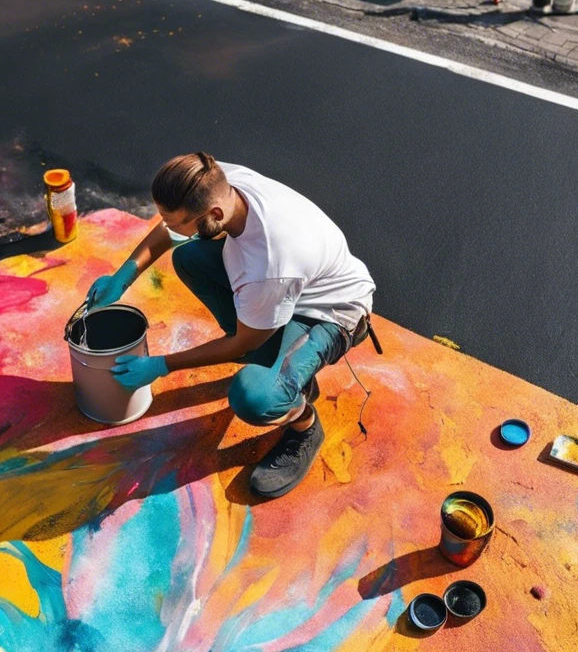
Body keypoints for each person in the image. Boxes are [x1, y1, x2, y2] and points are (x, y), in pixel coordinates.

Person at [87, 153, 376, 499]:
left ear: (215, 216)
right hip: (287, 288)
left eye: (178, 223)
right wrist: (124, 276)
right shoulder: (217, 181)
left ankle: (303, 424)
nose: (169, 228)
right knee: (189, 257)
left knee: (253, 395)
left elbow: (242, 343)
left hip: (332, 313)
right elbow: (169, 228)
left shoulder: (269, 265)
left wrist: (160, 365)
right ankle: (278, 359)